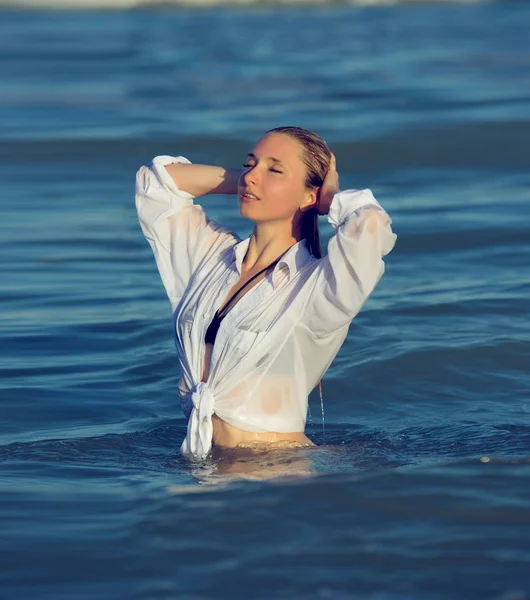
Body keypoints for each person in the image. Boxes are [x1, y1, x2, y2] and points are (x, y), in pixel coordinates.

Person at [135, 126, 396, 459]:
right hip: (203, 473)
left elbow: (370, 226)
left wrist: (326, 196)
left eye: (275, 169)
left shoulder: (318, 290)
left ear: (309, 196)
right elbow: (156, 183)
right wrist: (247, 182)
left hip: (276, 479)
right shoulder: (210, 258)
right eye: (250, 163)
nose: (253, 175)